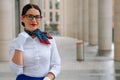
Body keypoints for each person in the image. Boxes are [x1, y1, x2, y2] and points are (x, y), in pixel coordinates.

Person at [9, 3, 61, 80]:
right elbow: (17, 70)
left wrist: (48, 78)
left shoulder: (49, 39)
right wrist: (19, 44)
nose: (34, 20)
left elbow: (56, 65)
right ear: (22, 18)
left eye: (37, 17)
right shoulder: (16, 42)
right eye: (30, 16)